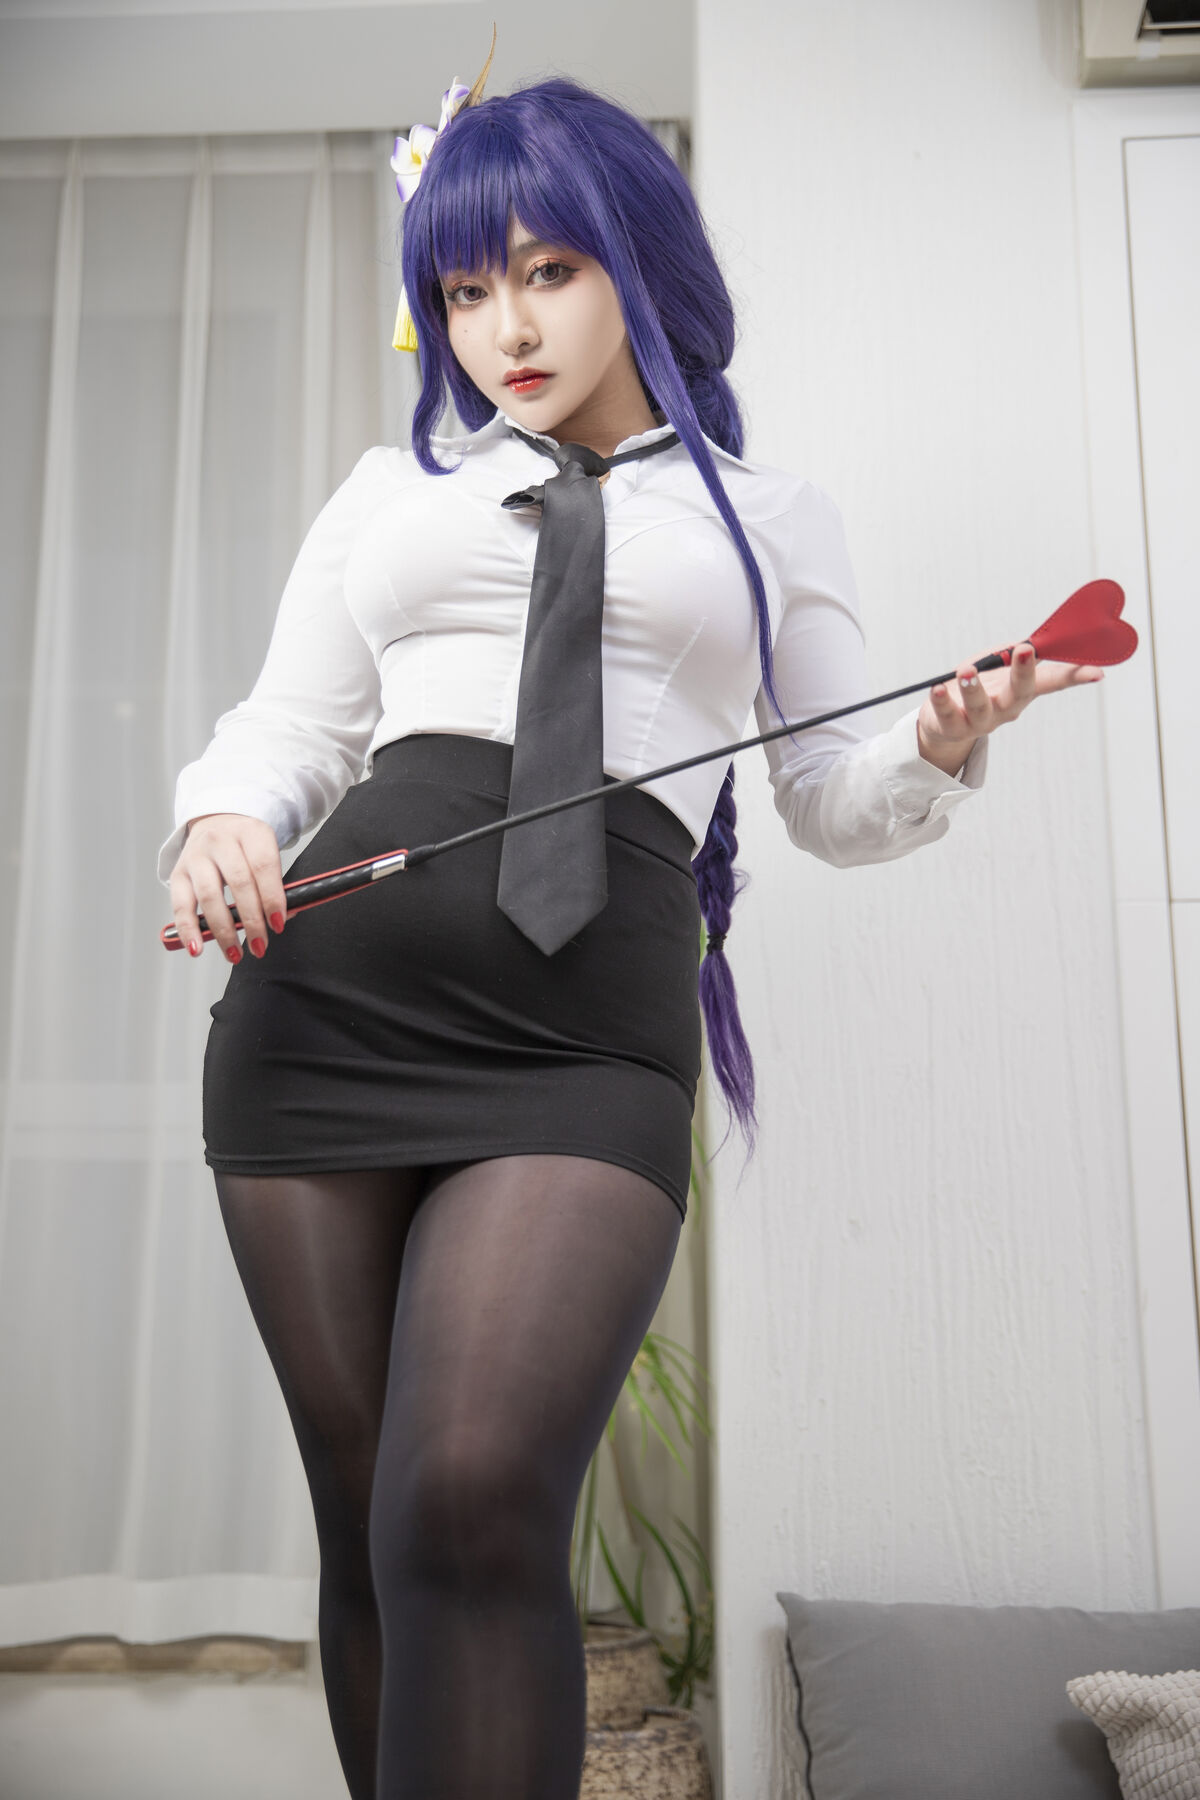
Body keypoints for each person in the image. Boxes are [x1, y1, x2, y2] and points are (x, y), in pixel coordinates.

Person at [158, 61, 1102, 1800]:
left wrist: (941, 744)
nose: (504, 327)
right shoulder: (391, 493)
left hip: (584, 1041)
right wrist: (221, 823)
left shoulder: (768, 517)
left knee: (469, 1494)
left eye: (547, 271)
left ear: (634, 258)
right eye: (464, 290)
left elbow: (826, 796)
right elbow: (288, 730)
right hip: (323, 1024)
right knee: (370, 1519)